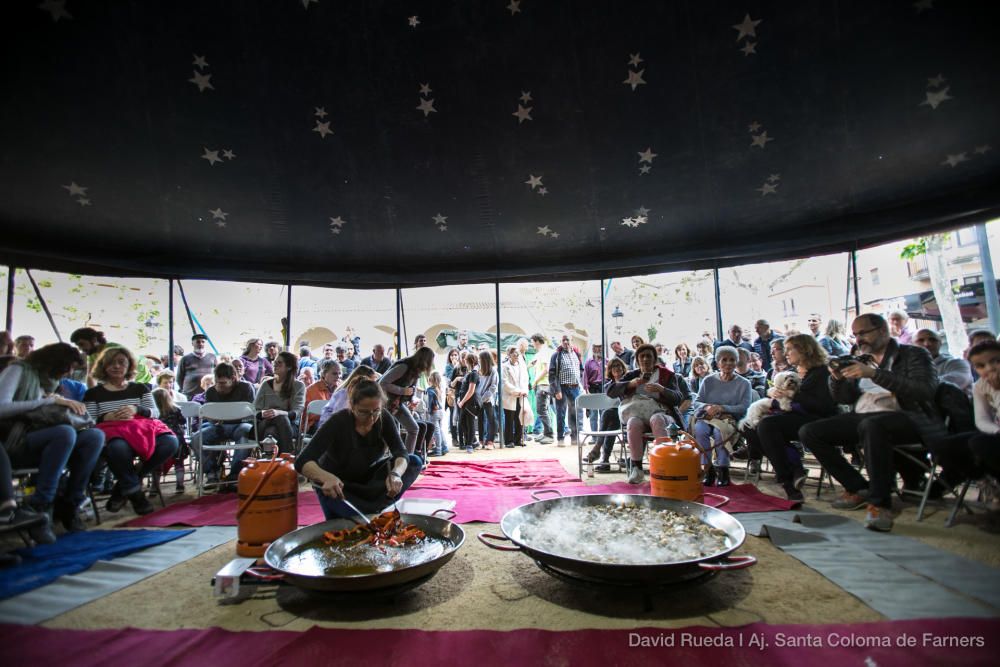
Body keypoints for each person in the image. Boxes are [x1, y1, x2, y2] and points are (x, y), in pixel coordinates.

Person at [798, 313, 945, 532]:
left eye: (863, 333)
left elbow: (923, 391)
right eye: (855, 334)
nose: (858, 339)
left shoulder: (914, 354)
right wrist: (837, 379)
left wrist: (875, 374)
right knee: (810, 431)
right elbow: (843, 398)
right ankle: (858, 487)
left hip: (907, 417)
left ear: (883, 331)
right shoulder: (860, 357)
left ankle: (880, 503)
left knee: (873, 426)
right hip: (865, 416)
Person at [0, 343, 104, 531]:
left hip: (42, 439)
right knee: (64, 433)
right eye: (68, 368)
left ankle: (71, 501)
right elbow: (2, 407)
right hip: (14, 441)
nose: (68, 373)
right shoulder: (18, 370)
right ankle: (42, 503)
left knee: (94, 436)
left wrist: (59, 402)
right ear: (54, 363)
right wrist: (46, 402)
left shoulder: (45, 381)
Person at [297, 380, 423, 518]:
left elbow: (401, 452)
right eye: (363, 412)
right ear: (352, 406)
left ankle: (372, 508)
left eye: (376, 411)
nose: (371, 418)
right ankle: (370, 509)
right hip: (337, 486)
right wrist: (326, 477)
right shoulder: (338, 421)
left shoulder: (383, 418)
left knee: (414, 461)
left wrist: (396, 474)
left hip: (366, 482)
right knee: (348, 525)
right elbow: (302, 460)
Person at [85, 347, 178, 516]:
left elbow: (155, 413)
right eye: (111, 363)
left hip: (141, 430)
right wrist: (106, 417)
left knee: (170, 442)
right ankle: (137, 497)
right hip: (112, 432)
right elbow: (88, 421)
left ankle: (124, 487)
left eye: (121, 362)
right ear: (103, 366)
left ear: (129, 366)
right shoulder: (93, 393)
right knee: (117, 449)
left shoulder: (140, 388)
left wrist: (136, 409)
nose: (116, 366)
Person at [745, 334, 838, 500]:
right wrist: (775, 394)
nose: (786, 354)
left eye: (789, 350)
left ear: (804, 350)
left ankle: (787, 481)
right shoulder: (798, 372)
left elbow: (821, 407)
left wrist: (787, 397)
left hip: (816, 419)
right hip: (795, 415)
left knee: (767, 426)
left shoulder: (821, 372)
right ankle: (794, 466)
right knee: (749, 427)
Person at [608, 344, 692, 484]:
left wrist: (662, 389)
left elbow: (678, 398)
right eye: (642, 356)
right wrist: (631, 384)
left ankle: (664, 466)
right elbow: (610, 391)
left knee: (657, 419)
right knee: (632, 422)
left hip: (664, 415)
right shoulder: (632, 375)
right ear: (637, 359)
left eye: (649, 356)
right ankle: (637, 469)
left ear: (655, 359)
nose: (645, 359)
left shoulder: (667, 375)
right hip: (639, 415)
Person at [926, 341, 1000, 489]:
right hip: (997, 433)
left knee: (979, 444)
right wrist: (996, 431)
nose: (990, 368)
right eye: (981, 366)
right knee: (941, 445)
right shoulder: (980, 386)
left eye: (996, 361)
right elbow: (982, 420)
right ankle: (985, 481)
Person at [691, 346, 753, 487]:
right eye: (724, 360)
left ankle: (723, 470)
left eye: (732, 360)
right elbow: (697, 402)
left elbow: (744, 407)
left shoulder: (744, 384)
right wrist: (707, 407)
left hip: (729, 419)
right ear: (718, 363)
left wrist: (722, 408)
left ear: (737, 362)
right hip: (708, 417)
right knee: (700, 429)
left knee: (720, 433)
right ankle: (708, 469)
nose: (728, 363)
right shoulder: (708, 380)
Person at [197, 362, 257, 485]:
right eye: (217, 382)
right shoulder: (211, 392)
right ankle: (212, 471)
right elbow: (209, 415)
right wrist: (213, 419)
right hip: (219, 426)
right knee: (196, 438)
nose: (220, 386)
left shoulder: (246, 388)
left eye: (223, 383)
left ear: (233, 379)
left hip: (241, 424)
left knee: (246, 433)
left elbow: (251, 413)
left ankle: (235, 475)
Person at [378, 347, 436, 456]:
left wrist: (411, 399)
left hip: (396, 403)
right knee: (388, 433)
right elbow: (382, 383)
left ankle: (407, 459)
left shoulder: (415, 370)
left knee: (413, 429)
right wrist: (403, 391)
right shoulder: (404, 366)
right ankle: (385, 459)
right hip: (385, 403)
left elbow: (410, 388)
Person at [254, 351, 305, 454]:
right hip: (264, 422)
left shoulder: (298, 386)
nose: (275, 364)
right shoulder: (266, 384)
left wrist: (279, 413)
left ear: (289, 367)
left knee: (272, 431)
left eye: (279, 363)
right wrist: (263, 413)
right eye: (275, 362)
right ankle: (287, 457)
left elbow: (297, 411)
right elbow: (255, 408)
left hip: (289, 425)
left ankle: (268, 462)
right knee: (275, 424)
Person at [70, 327, 153, 387]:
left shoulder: (114, 349)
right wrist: (92, 396)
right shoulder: (92, 354)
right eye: (78, 346)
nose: (80, 349)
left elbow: (129, 375)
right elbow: (91, 377)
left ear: (94, 340)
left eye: (82, 344)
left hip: (141, 381)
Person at [592, 358, 629, 471]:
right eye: (614, 367)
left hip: (630, 414)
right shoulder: (608, 386)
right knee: (610, 422)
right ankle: (604, 460)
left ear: (623, 368)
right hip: (617, 417)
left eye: (619, 366)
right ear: (610, 371)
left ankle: (599, 449)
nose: (617, 368)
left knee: (608, 414)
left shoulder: (629, 382)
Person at [913, 329, 973, 395]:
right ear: (912, 345)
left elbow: (958, 381)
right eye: (921, 340)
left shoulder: (957, 363)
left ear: (940, 343)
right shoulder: (909, 367)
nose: (927, 344)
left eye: (932, 339)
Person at [318, 365, 378, 430]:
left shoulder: (345, 392)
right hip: (332, 430)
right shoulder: (344, 395)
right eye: (371, 383)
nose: (373, 386)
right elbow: (339, 418)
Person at [550, 334, 584, 446]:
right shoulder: (556, 355)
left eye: (567, 340)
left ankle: (575, 438)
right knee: (561, 413)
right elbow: (552, 374)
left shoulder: (577, 354)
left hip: (575, 388)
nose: (565, 342)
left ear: (571, 341)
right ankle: (560, 438)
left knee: (575, 413)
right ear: (561, 341)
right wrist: (557, 390)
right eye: (563, 340)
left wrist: (581, 385)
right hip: (562, 388)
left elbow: (581, 370)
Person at [153, 387, 188, 494]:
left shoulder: (154, 413)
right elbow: (183, 421)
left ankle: (154, 487)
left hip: (159, 440)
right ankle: (180, 485)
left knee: (156, 463)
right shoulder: (175, 409)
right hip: (177, 439)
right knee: (179, 462)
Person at [501, 346, 529, 449]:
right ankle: (509, 441)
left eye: (518, 354)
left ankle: (518, 439)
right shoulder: (504, 366)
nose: (517, 355)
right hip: (510, 395)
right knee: (509, 419)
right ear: (509, 355)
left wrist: (524, 390)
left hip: (521, 395)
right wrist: (517, 391)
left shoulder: (522, 366)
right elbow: (505, 383)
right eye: (514, 354)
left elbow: (526, 379)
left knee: (519, 418)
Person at [529, 334, 555, 444]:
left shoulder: (544, 352)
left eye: (532, 342)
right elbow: (533, 363)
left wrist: (535, 382)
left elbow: (546, 369)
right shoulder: (542, 353)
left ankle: (549, 435)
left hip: (543, 384)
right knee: (544, 410)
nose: (532, 344)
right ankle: (545, 433)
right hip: (543, 384)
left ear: (537, 341)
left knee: (541, 410)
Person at [304, 359, 342, 433]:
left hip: (336, 422)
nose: (338, 376)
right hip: (314, 424)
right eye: (334, 373)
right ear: (324, 374)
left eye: (339, 373)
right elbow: (308, 415)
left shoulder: (342, 388)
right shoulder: (311, 390)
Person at [175, 333, 217, 400]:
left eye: (203, 342)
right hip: (190, 395)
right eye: (198, 342)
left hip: (208, 394)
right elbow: (179, 378)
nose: (200, 344)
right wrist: (186, 390)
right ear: (192, 343)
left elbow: (216, 375)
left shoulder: (212, 357)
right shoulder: (185, 359)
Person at [456, 352, 480, 453]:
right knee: (462, 423)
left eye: (466, 360)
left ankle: (470, 444)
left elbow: (471, 390)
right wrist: (459, 399)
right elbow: (464, 388)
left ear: (470, 361)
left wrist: (462, 402)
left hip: (470, 403)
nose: (464, 361)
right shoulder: (469, 372)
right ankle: (472, 441)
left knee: (470, 424)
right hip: (464, 402)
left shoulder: (474, 373)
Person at [476, 350, 499, 448]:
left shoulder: (493, 371)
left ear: (484, 360)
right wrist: (478, 398)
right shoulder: (478, 369)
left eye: (480, 358)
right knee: (480, 420)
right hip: (478, 398)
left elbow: (493, 387)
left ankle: (490, 441)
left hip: (488, 399)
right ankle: (481, 440)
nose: (478, 360)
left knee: (491, 419)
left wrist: (483, 398)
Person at [425, 371, 448, 456]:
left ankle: (438, 450)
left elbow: (431, 402)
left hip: (434, 413)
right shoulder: (439, 389)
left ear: (430, 380)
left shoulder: (430, 390)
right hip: (441, 412)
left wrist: (429, 410)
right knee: (440, 431)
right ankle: (444, 447)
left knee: (436, 432)